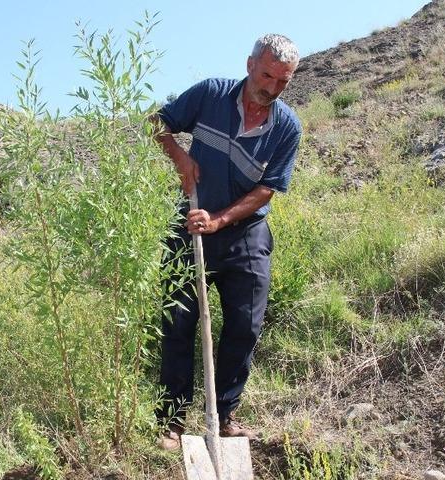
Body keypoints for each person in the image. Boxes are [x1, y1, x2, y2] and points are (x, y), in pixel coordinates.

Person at [152, 34, 302, 451]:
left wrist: (220, 220)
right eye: (267, 74)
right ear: (250, 64)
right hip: (189, 226)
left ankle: (224, 415)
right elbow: (156, 122)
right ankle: (171, 421)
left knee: (245, 325)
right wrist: (179, 156)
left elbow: (269, 188)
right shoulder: (211, 94)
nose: (271, 87)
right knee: (179, 322)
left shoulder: (287, 126)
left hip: (244, 233)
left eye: (282, 81)